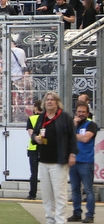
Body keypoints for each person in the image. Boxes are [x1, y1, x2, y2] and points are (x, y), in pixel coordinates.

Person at [33, 91, 78, 224]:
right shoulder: (42, 117)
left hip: (59, 161)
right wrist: (35, 138)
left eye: (52, 99)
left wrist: (72, 154)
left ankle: (60, 220)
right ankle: (50, 219)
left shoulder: (64, 117)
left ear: (57, 102)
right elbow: (34, 133)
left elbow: (72, 137)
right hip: (43, 160)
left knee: (59, 193)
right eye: (47, 100)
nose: (49, 102)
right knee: (47, 194)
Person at [69, 101, 97, 223]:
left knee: (88, 190)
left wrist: (72, 134)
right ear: (75, 112)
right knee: (75, 190)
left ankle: (90, 215)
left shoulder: (91, 125)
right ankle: (76, 213)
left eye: (83, 112)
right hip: (73, 162)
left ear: (87, 113)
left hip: (86, 162)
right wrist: (73, 128)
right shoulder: (72, 125)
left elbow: (85, 138)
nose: (81, 114)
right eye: (79, 112)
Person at [26, 99, 43, 200]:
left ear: (36, 108)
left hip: (33, 148)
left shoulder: (31, 118)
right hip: (45, 147)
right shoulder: (46, 118)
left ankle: (32, 194)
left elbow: (31, 134)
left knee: (34, 173)